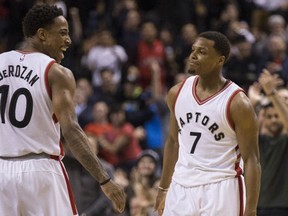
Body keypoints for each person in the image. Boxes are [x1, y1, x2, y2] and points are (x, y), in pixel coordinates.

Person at [0, 4, 125, 216]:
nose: (68, 40)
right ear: (42, 35)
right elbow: (71, 130)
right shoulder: (57, 73)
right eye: (63, 33)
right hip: (41, 171)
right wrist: (104, 179)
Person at [155, 31, 261, 216]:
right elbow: (173, 141)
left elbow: (252, 160)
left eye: (202, 51)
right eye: (193, 50)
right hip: (181, 186)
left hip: (221, 188)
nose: (193, 55)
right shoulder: (177, 92)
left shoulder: (237, 103)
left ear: (220, 60)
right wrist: (163, 188)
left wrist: (250, 210)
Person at [256, 69, 288, 216]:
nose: (274, 119)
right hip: (259, 205)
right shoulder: (259, 140)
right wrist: (258, 99)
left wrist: (271, 94)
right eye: (270, 116)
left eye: (277, 115)